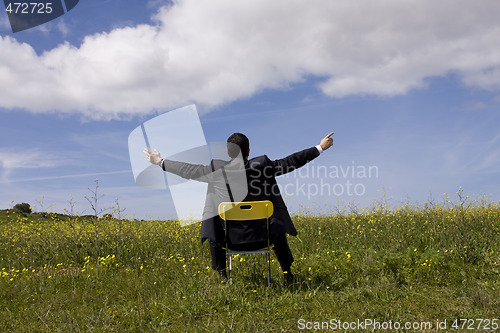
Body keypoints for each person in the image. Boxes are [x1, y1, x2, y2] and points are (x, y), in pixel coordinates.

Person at [144, 132, 334, 284]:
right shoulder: (263, 166)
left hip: (229, 240)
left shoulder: (216, 169)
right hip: (264, 237)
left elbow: (187, 170)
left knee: (213, 226)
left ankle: (223, 277)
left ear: (228, 153)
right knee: (275, 222)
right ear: (248, 150)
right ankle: (287, 274)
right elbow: (291, 162)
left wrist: (160, 162)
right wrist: (320, 147)